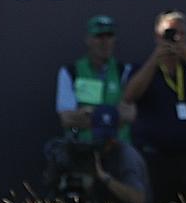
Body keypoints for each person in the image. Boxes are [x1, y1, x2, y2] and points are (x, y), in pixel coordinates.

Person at [121, 11, 186, 203]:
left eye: (181, 34)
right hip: (155, 159)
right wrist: (156, 58)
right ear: (157, 36)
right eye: (170, 33)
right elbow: (130, 95)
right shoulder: (143, 68)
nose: (176, 39)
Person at [56, 15, 136, 144]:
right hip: (82, 145)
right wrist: (110, 116)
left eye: (109, 36)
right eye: (99, 37)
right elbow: (67, 119)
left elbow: (129, 115)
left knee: (133, 161)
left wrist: (90, 114)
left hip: (118, 145)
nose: (105, 42)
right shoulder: (71, 72)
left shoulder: (124, 71)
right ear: (88, 39)